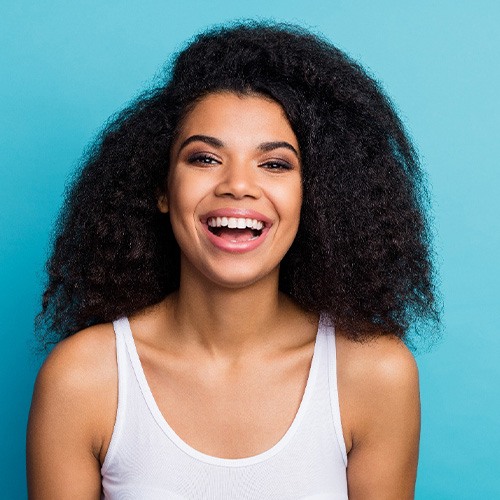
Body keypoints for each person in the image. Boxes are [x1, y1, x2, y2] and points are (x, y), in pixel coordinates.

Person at [27, 22, 439, 499]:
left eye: (275, 164)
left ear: (315, 196)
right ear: (162, 189)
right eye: (204, 158)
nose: (237, 185)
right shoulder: (82, 380)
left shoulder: (374, 375)